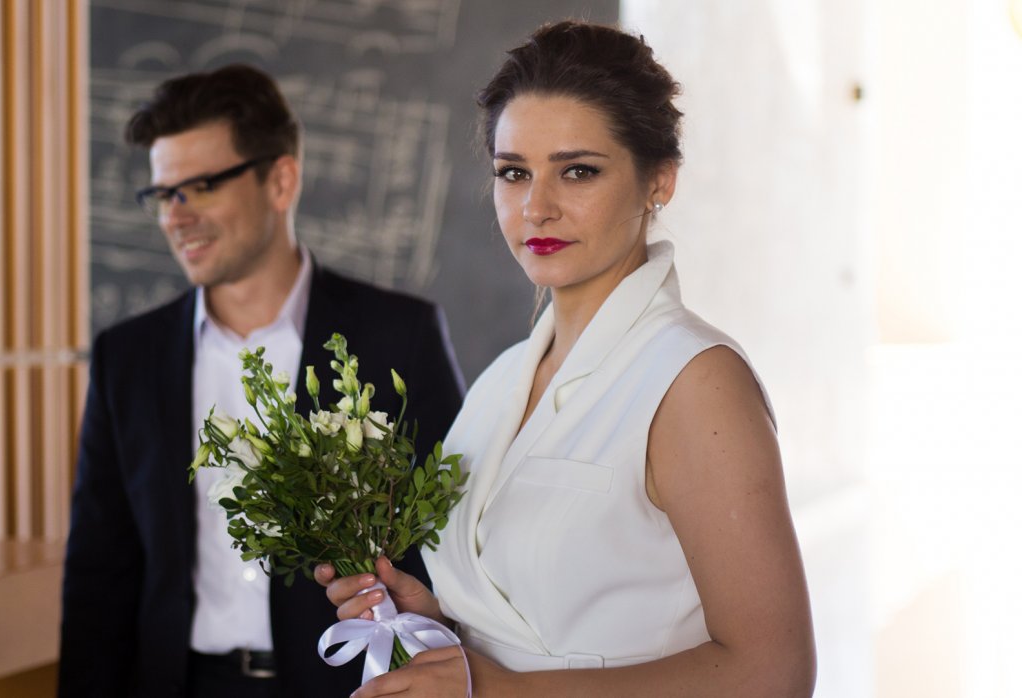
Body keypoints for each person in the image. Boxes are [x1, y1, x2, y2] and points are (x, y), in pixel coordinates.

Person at [317, 21, 817, 697]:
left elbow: (775, 674)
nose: (537, 207)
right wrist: (438, 626)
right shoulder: (500, 382)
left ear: (659, 180)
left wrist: (498, 689)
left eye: (578, 171)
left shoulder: (696, 382)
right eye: (514, 173)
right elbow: (533, 633)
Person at [59, 64, 465, 697]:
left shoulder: (399, 335)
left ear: (280, 180)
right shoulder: (128, 357)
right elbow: (100, 573)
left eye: (199, 187)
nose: (176, 216)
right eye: (164, 194)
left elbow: (456, 543)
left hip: (351, 687)